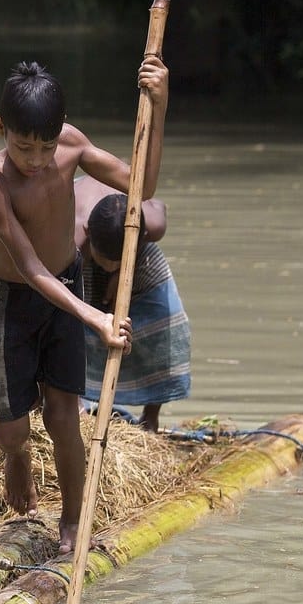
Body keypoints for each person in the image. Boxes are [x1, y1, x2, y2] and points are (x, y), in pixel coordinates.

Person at [0, 58, 170, 553]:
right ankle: (16, 457)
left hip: (63, 285)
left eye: (45, 145)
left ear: (60, 131)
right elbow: (29, 265)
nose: (36, 159)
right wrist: (95, 316)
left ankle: (73, 520)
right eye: (23, 147)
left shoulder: (71, 145)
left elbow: (142, 188)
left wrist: (160, 104)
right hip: (12, 298)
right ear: (1, 130)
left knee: (64, 416)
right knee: (12, 429)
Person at [74, 179, 191, 431]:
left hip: (137, 253)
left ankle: (151, 416)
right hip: (82, 255)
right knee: (68, 324)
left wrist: (121, 273)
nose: (110, 267)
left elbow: (156, 208)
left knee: (162, 324)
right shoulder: (72, 236)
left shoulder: (153, 226)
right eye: (107, 262)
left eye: (116, 263)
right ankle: (74, 401)